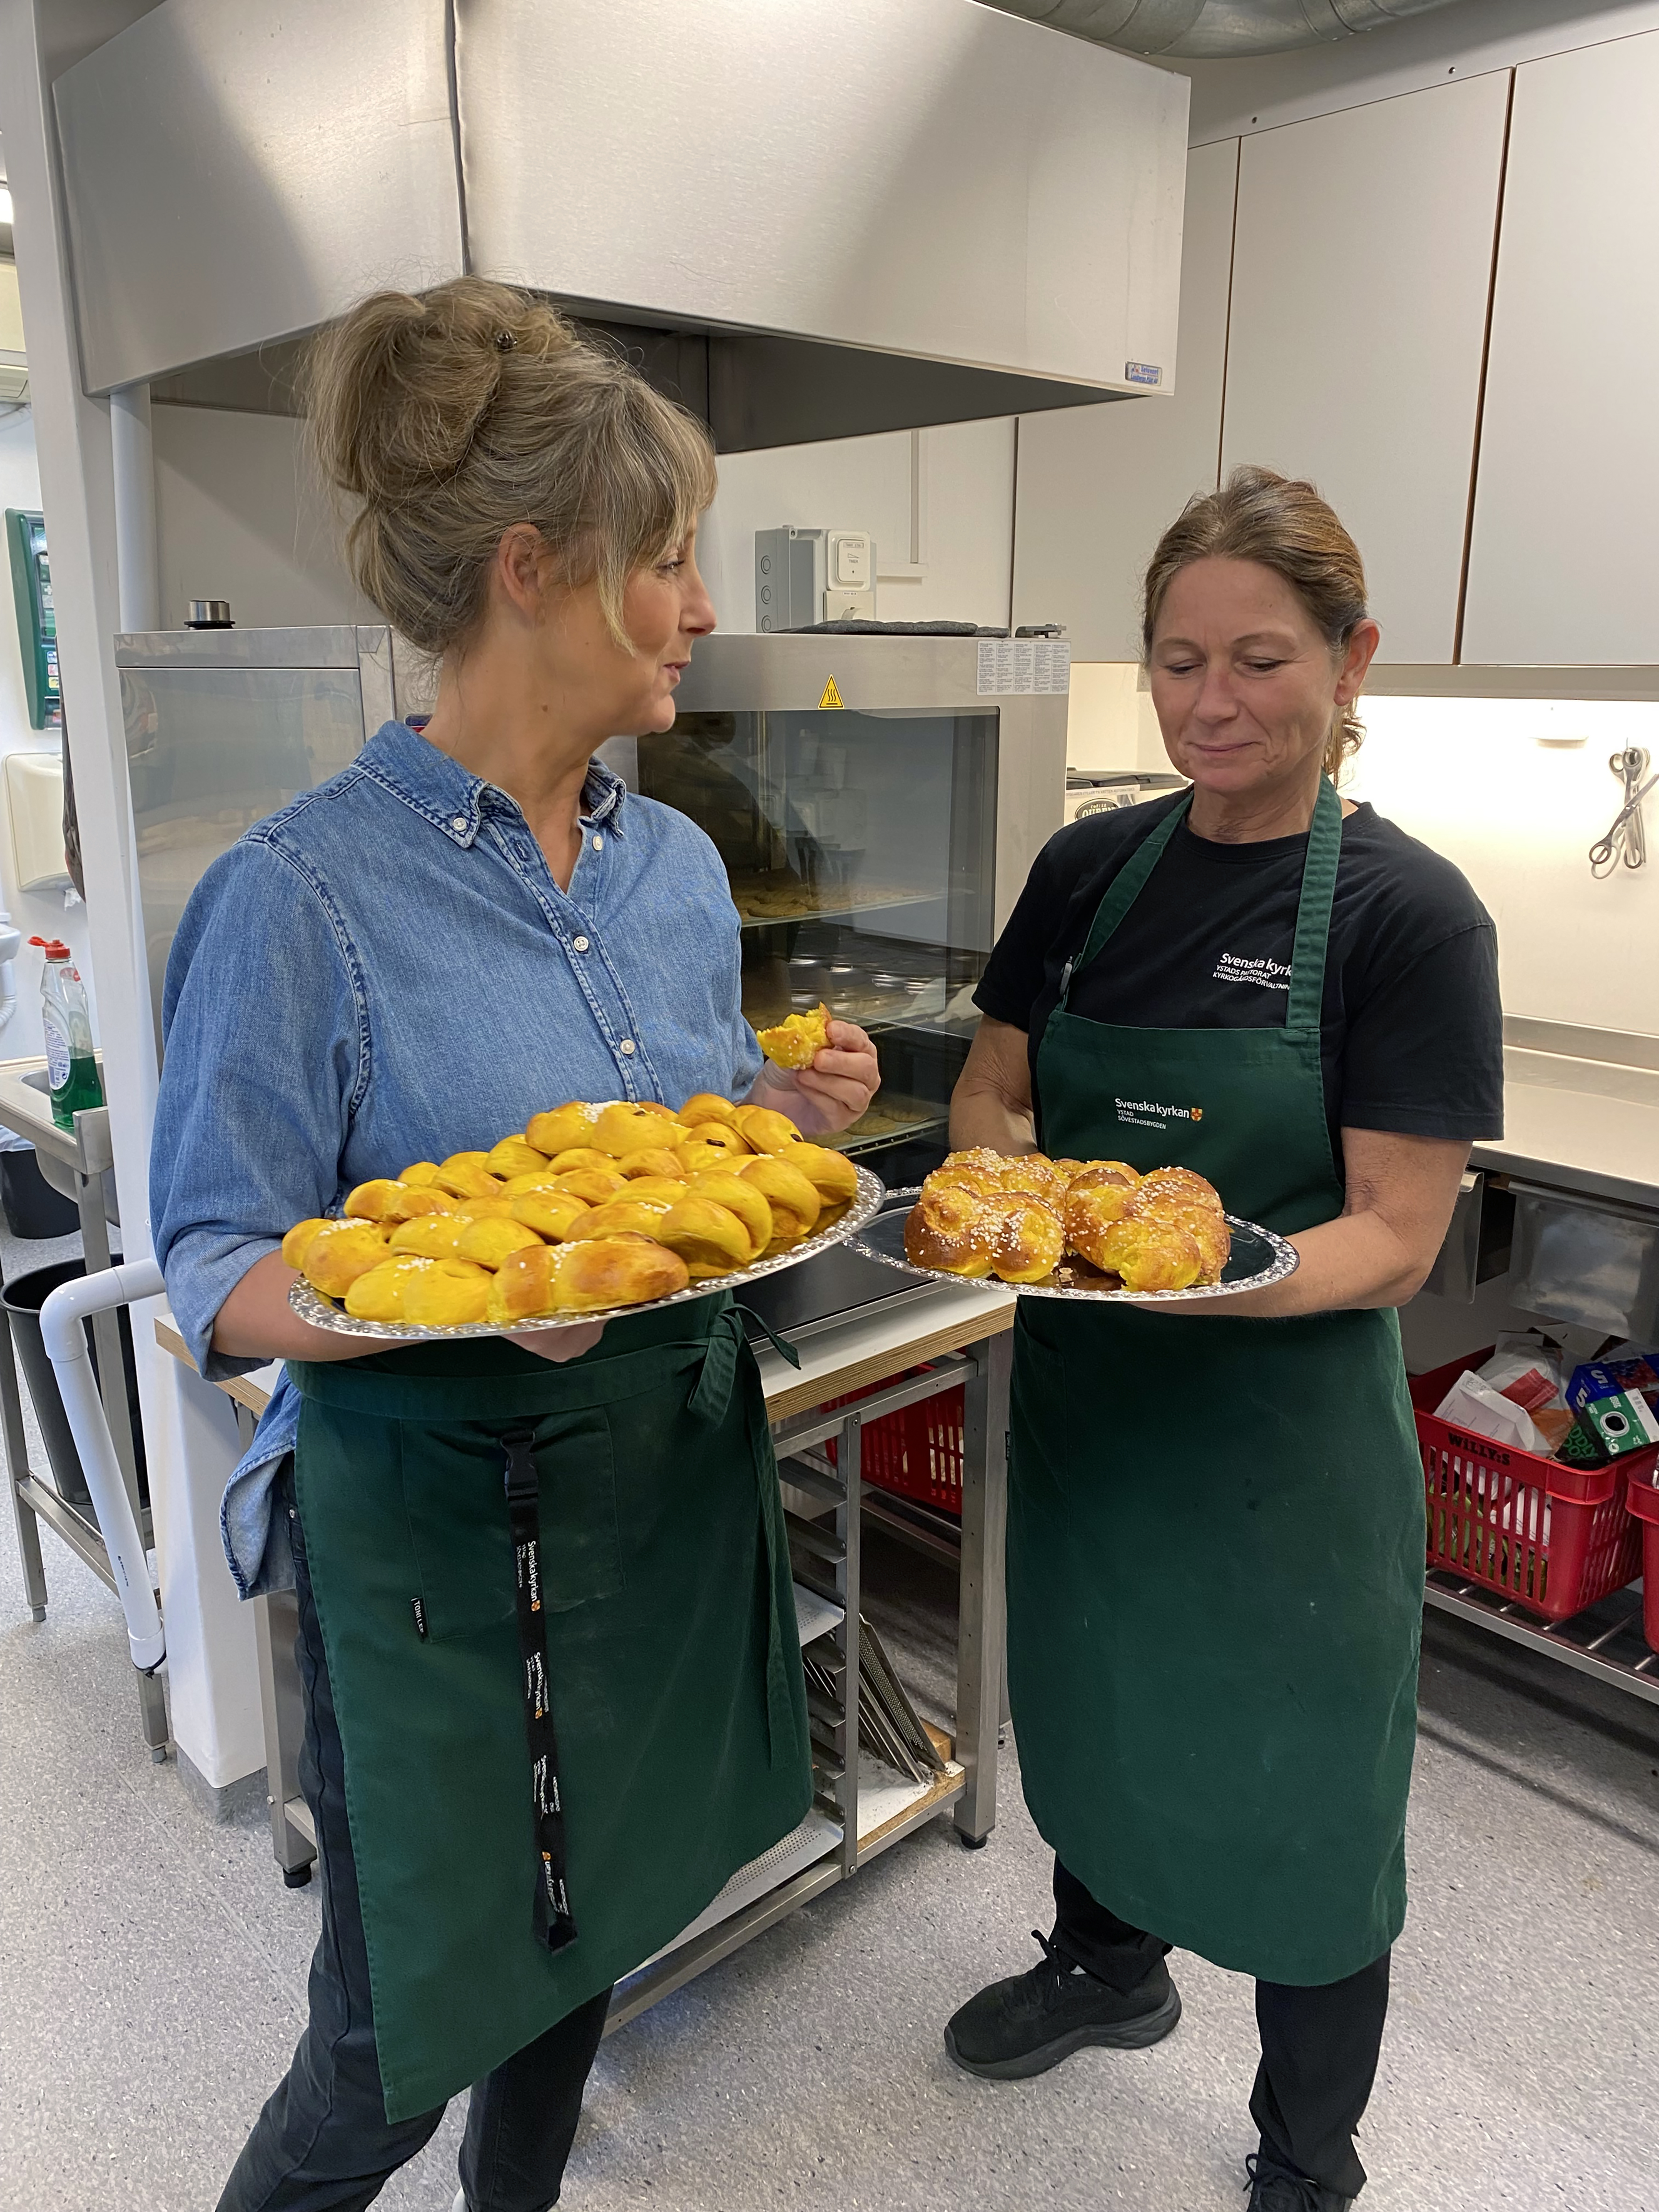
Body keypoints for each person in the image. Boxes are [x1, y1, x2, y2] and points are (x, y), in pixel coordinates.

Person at [150, 278, 880, 2212]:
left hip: (641, 1498)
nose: (700, 604)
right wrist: (475, 1310)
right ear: (538, 571)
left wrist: (773, 1120)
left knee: (591, 1938)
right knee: (395, 2042)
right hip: (430, 1556)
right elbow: (214, 1268)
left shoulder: (677, 868)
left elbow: (682, 1139)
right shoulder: (300, 896)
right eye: (670, 560)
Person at [941, 467, 1503, 2212]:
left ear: (1353, 664)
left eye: (1261, 658)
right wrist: (1022, 1197)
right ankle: (1110, 1966)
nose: (1213, 702)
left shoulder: (1412, 919)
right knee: (1099, 1716)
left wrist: (1195, 1274)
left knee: (1310, 1806)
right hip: (1104, 1427)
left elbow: (1400, 1239)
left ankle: (1303, 2152)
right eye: (1179, 661)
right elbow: (992, 1087)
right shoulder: (1088, 869)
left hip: (1285, 1465)